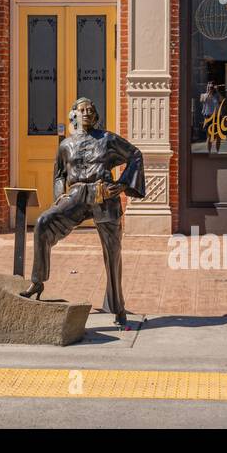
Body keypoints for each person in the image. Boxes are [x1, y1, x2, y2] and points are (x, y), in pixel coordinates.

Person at [21, 97, 145, 327]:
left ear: (96, 116)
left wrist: (123, 183)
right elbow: (59, 175)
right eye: (81, 110)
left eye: (90, 110)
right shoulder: (65, 145)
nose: (86, 113)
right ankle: (38, 281)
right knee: (42, 222)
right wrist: (60, 197)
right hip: (77, 196)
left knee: (112, 253)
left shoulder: (107, 139)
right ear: (74, 116)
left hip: (103, 195)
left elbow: (135, 155)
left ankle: (118, 308)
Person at [200, 81, 221, 154]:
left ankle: (218, 152)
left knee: (218, 136)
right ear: (207, 87)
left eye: (211, 87)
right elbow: (203, 101)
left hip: (217, 117)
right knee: (209, 136)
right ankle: (209, 152)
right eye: (209, 87)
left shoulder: (216, 96)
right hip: (208, 117)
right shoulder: (203, 95)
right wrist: (208, 92)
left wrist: (217, 91)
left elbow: (221, 100)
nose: (210, 88)